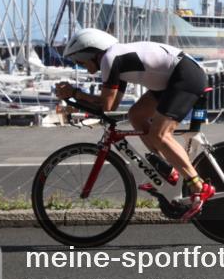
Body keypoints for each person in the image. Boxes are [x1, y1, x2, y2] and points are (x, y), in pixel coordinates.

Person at [55, 28, 214, 220]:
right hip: (170, 80)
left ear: (89, 52)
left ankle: (199, 186)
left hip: (185, 76)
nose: (78, 65)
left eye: (78, 60)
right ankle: (167, 171)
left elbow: (105, 104)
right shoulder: (114, 60)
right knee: (136, 116)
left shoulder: (109, 59)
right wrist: (76, 99)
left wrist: (75, 94)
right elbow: (111, 106)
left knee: (160, 134)